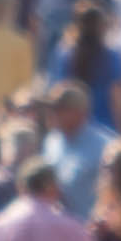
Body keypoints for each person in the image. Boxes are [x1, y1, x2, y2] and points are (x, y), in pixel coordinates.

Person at [48, 0, 121, 132]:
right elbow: (116, 96)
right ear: (102, 26)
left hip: (71, 126)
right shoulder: (111, 56)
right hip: (104, 127)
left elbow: (57, 89)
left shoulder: (64, 53)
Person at [42, 82, 110, 221]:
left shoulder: (105, 147)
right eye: (50, 109)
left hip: (89, 230)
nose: (51, 114)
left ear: (79, 112)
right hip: (57, 228)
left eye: (58, 109)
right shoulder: (51, 141)